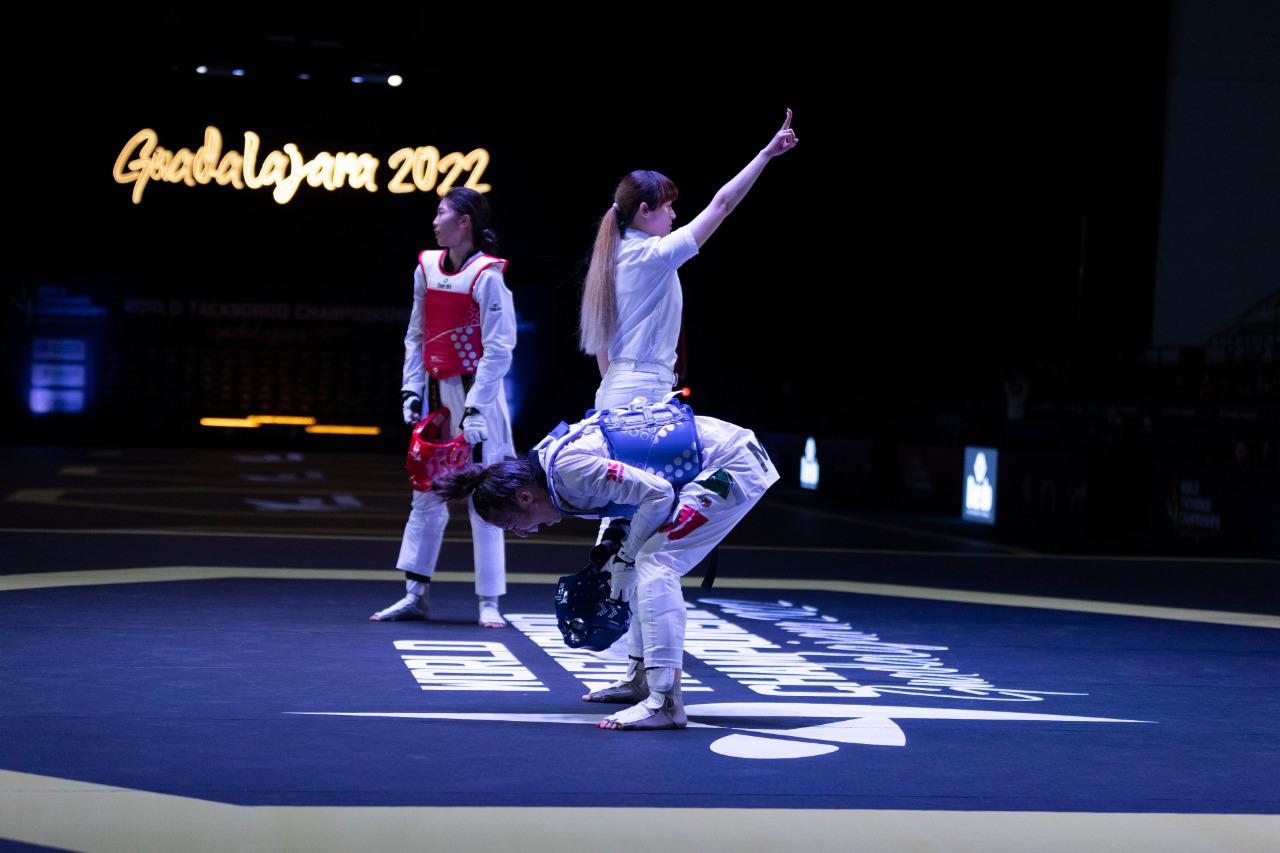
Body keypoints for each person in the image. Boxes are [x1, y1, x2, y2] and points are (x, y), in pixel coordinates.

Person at [430, 398, 780, 730]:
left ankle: (666, 702)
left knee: (655, 563)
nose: (523, 533)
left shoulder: (569, 469)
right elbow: (632, 499)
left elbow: (658, 494)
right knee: (639, 563)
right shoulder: (551, 472)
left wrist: (627, 555)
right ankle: (641, 679)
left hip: (731, 463)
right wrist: (619, 552)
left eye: (513, 525)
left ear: (524, 496)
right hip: (711, 462)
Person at [578, 109, 799, 412]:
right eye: (668, 207)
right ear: (644, 210)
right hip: (639, 397)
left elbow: (604, 353)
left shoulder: (613, 256)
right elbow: (722, 205)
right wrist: (765, 155)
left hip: (617, 393)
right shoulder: (650, 255)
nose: (673, 215)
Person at [370, 188, 516, 628]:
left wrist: (475, 409)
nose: (435, 221)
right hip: (437, 395)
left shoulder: (487, 275)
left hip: (477, 396)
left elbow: (500, 348)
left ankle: (489, 600)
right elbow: (415, 336)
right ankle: (415, 593)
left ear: (465, 221)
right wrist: (410, 389)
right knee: (425, 493)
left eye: (442, 213)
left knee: (485, 496)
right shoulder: (426, 268)